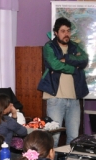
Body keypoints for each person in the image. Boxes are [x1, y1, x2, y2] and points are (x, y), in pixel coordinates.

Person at [37, 17, 89, 145]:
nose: (66, 34)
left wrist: (66, 58)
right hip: (56, 98)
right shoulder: (49, 47)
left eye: (68, 31)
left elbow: (84, 59)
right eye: (63, 31)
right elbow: (55, 65)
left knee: (74, 137)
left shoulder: (75, 46)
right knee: (53, 137)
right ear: (55, 32)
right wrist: (74, 68)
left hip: (74, 99)